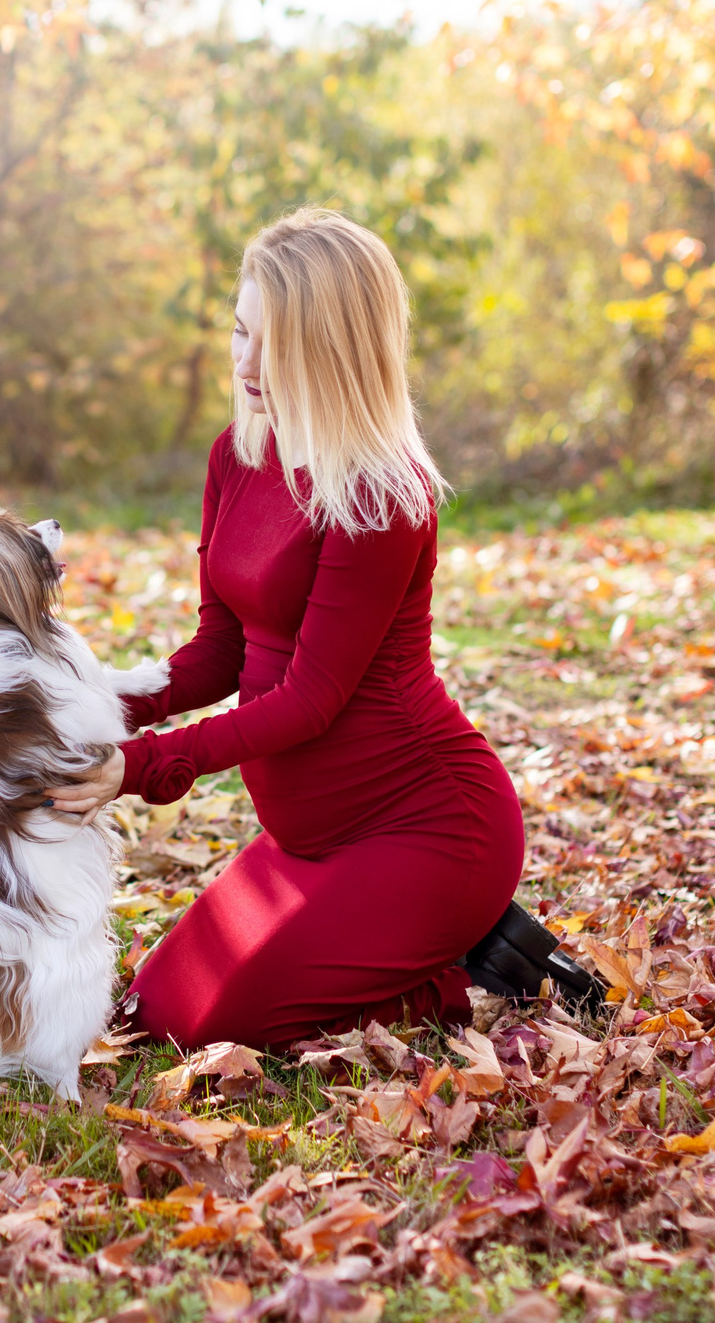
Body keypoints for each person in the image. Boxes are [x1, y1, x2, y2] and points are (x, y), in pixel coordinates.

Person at [43, 207, 588, 1048]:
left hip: (427, 828)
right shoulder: (239, 455)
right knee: (154, 1010)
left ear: (334, 347)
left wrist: (138, 769)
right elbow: (219, 651)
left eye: (279, 341)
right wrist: (91, 712)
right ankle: (414, 942)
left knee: (225, 1030)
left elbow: (310, 701)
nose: (249, 362)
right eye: (239, 332)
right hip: (308, 839)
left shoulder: (378, 492)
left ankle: (453, 960)